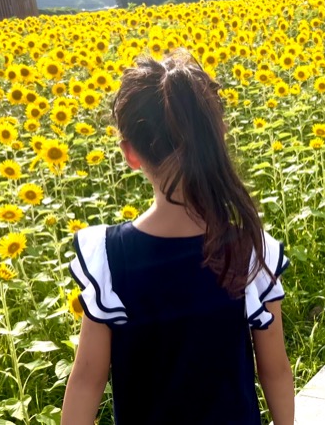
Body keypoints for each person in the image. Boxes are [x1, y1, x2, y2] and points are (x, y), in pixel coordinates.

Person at [61, 51, 295, 424]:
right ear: (218, 137)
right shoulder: (251, 249)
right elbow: (275, 370)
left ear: (130, 154)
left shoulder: (109, 257)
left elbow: (87, 380)